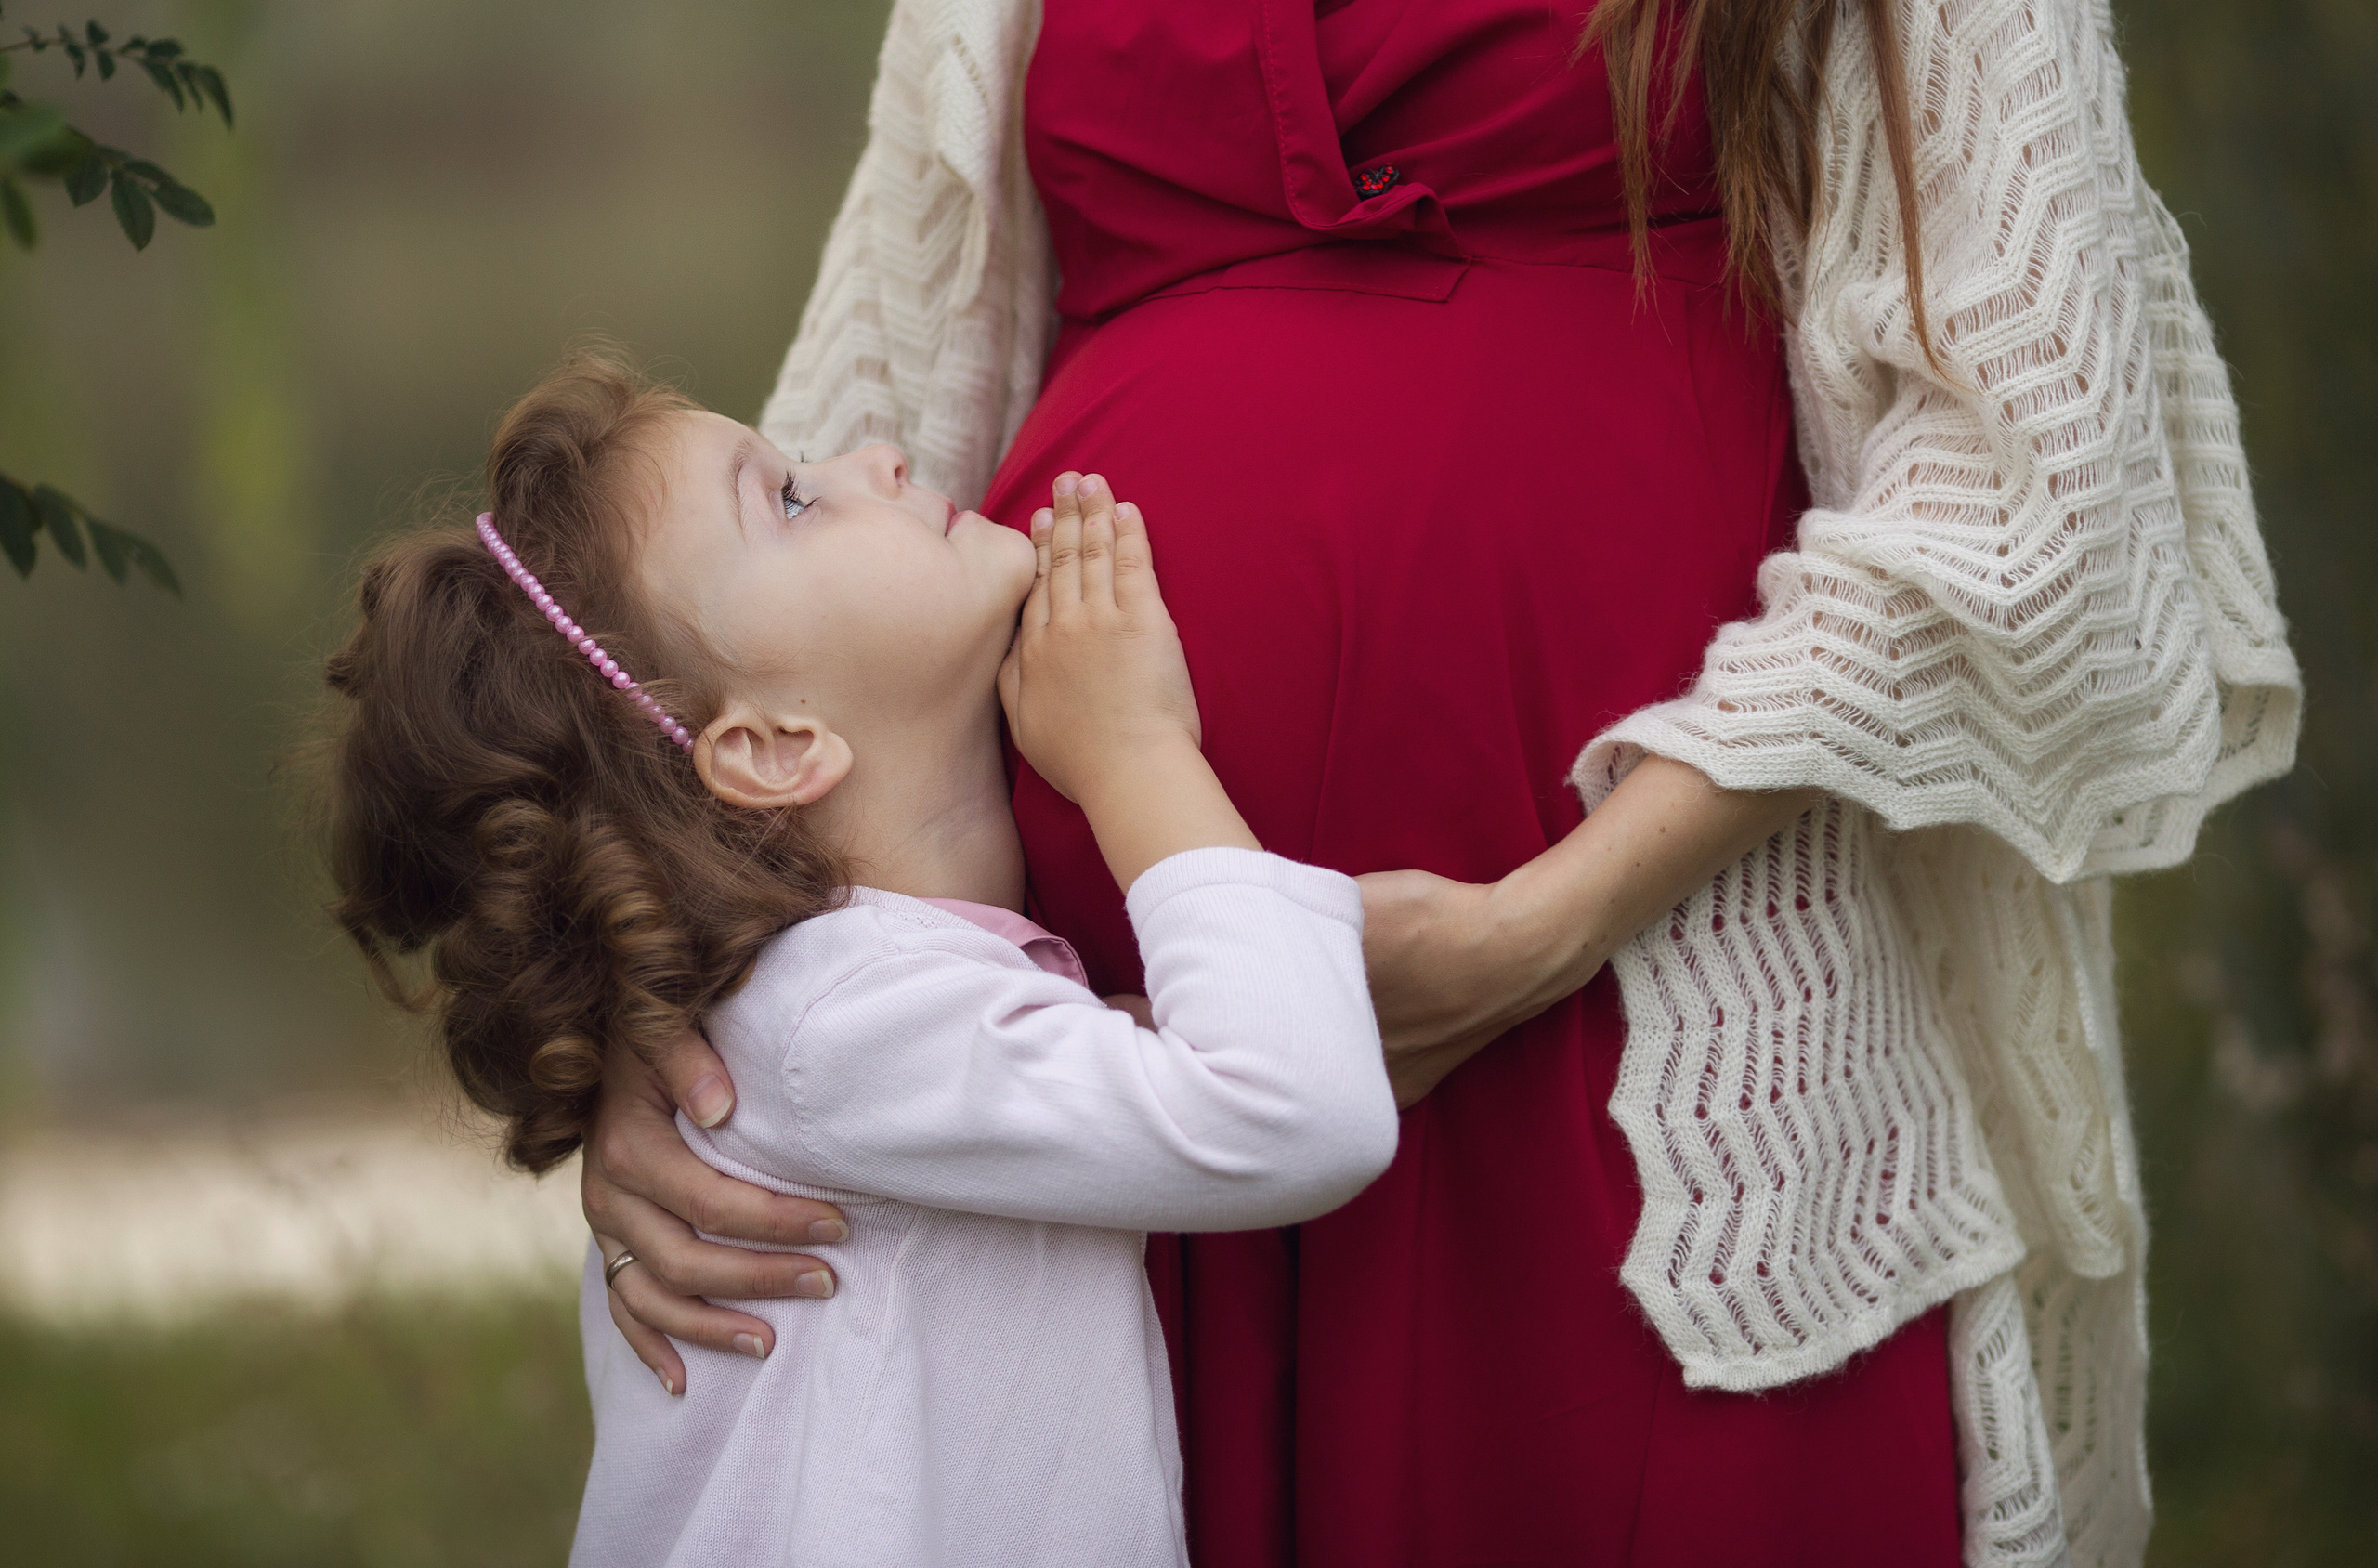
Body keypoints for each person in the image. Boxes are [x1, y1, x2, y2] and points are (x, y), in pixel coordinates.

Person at [582, 3, 2302, 1563]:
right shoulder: (913, 1055)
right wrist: (693, 1008)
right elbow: (855, 433)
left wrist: (1548, 922)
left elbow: (2034, 478)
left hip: (1667, 1051)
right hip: (1098, 1119)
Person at [320, 355, 1402, 1566]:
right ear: (776, 749)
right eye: (788, 497)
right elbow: (1303, 1113)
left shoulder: (846, 1013)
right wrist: (1136, 751)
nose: (878, 459)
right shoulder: (834, 1022)